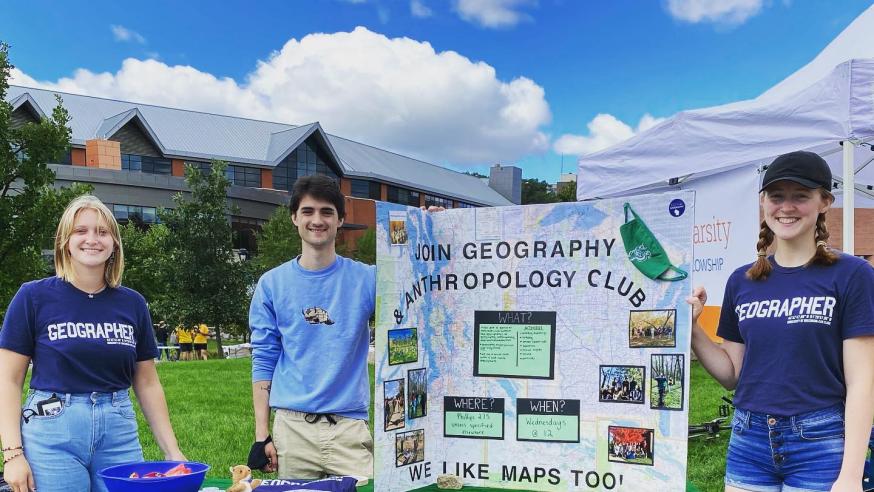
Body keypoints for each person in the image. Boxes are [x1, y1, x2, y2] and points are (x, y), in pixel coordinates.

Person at [687, 151, 874, 492]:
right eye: (777, 196)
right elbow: (732, 376)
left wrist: (850, 476)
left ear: (824, 202)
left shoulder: (853, 275)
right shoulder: (741, 281)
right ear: (763, 202)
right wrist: (692, 330)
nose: (786, 207)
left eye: (800, 196)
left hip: (820, 441)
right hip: (748, 441)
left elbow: (863, 383)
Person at [0, 195, 186, 492]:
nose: (92, 239)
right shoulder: (32, 297)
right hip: (52, 432)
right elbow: (8, 380)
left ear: (114, 244)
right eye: (81, 231)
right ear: (65, 241)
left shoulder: (133, 303)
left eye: (102, 232)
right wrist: (12, 454)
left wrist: (172, 451)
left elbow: (148, 383)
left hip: (118, 431)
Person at [249, 175, 376, 479]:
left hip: (349, 429)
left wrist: (434, 230)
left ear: (341, 219)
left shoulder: (368, 280)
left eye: (326, 212)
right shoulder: (271, 284)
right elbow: (264, 358)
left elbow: (422, 288)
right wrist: (261, 434)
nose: (317, 220)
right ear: (294, 217)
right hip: (292, 431)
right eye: (308, 211)